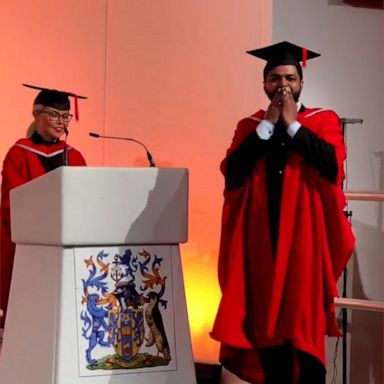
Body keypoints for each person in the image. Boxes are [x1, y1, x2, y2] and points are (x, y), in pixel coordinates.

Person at [210, 41, 355, 384]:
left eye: (290, 77)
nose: (283, 85)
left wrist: (293, 126)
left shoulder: (323, 120)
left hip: (303, 241)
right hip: (261, 242)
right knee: (265, 327)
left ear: (301, 83)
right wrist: (268, 127)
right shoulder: (249, 126)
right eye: (274, 78)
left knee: (300, 325)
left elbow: (332, 164)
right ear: (264, 84)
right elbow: (232, 173)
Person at [0, 84, 87, 327]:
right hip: (30, 246)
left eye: (65, 116)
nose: (61, 122)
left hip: (66, 246)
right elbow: (12, 201)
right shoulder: (18, 154)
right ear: (36, 114)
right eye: (54, 114)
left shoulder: (75, 156)